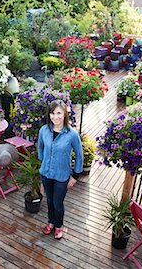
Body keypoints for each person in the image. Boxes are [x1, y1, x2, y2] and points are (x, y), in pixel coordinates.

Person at [38, 100, 83, 240]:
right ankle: (51, 222)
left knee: (58, 204)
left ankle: (58, 226)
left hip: (61, 176)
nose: (55, 117)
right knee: (49, 201)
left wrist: (75, 176)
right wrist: (43, 161)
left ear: (65, 114)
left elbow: (79, 155)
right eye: (52, 113)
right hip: (46, 173)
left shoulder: (72, 134)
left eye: (58, 113)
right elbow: (40, 147)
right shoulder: (44, 130)